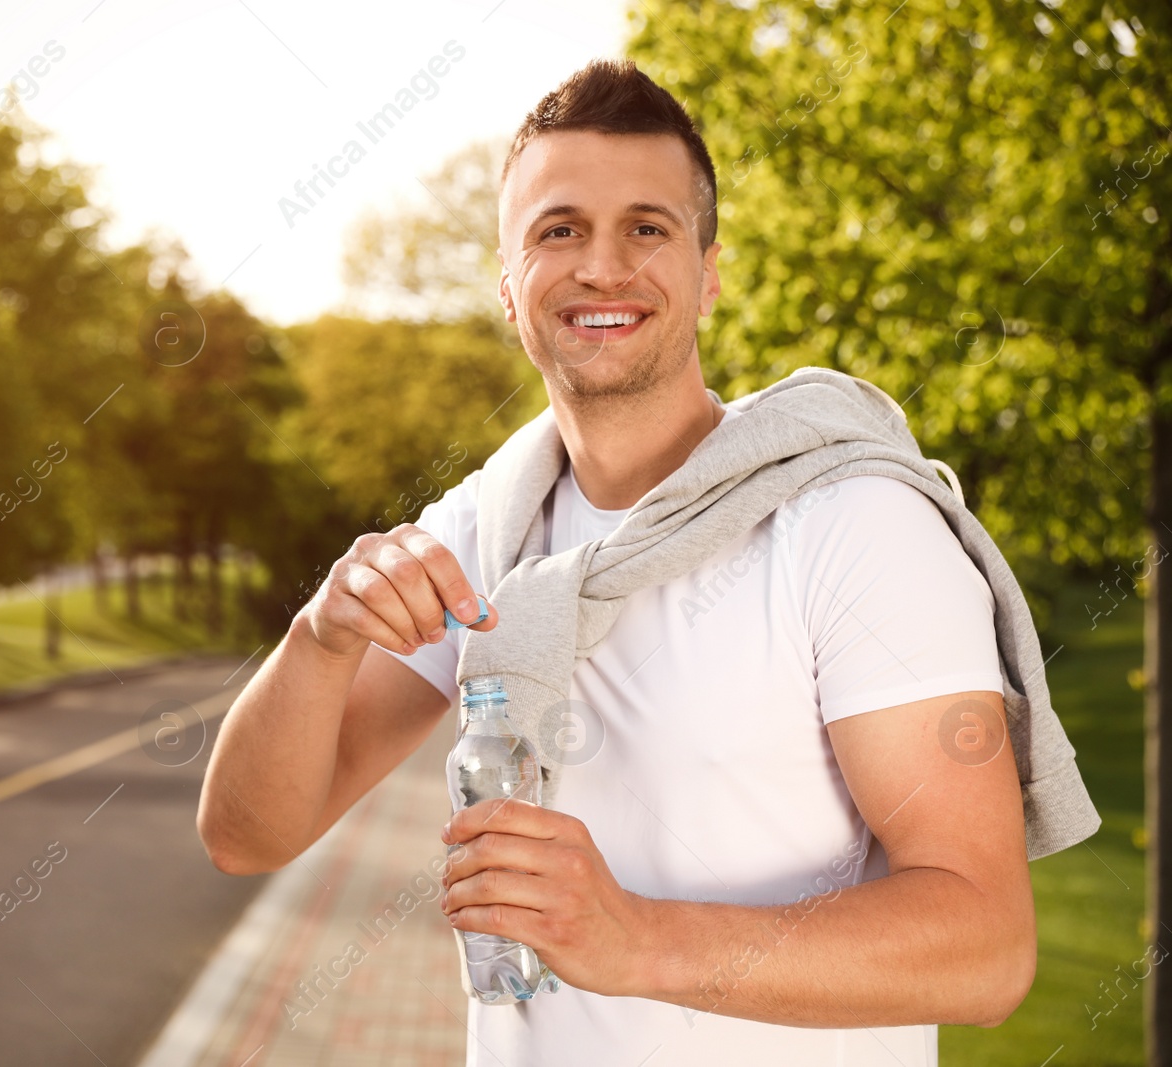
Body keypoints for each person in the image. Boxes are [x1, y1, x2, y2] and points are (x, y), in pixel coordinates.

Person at [198, 58, 1038, 1065]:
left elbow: (985, 950)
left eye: (647, 227)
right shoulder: (486, 533)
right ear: (509, 288)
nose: (603, 266)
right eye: (560, 230)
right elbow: (247, 835)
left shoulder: (851, 521)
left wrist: (635, 937)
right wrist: (320, 635)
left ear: (708, 273)